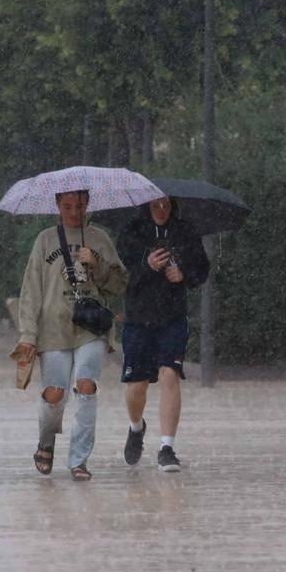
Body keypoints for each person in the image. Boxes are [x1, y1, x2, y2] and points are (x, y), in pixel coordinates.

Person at [12, 190, 129, 481]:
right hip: (53, 328)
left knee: (86, 385)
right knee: (55, 394)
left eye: (79, 205)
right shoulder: (44, 240)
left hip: (91, 327)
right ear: (57, 206)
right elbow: (30, 291)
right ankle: (46, 441)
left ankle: (79, 460)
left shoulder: (99, 238)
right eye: (67, 206)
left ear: (87, 204)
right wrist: (28, 334)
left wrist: (98, 264)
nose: (74, 212)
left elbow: (119, 284)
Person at [115, 196, 209, 472]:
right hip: (138, 319)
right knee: (136, 387)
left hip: (173, 318)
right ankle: (136, 427)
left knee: (170, 374)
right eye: (156, 204)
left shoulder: (185, 231)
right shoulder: (132, 232)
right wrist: (147, 266)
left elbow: (201, 269)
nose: (162, 210)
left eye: (166, 205)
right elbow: (120, 275)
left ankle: (167, 447)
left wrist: (184, 274)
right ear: (147, 205)